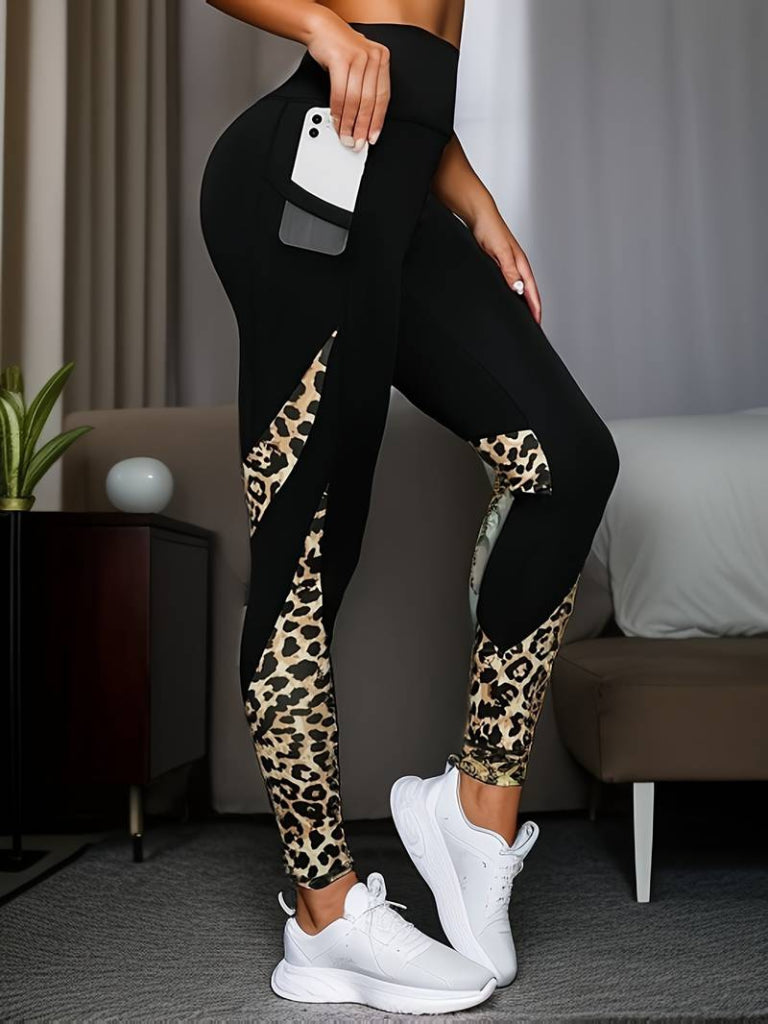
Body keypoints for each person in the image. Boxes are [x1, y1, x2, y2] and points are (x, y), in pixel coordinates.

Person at [200, 0, 620, 1013]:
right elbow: (367, 46)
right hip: (302, 174)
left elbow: (419, 71)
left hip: (399, 187)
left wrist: (477, 204)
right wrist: (320, 25)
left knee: (568, 460)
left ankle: (474, 812)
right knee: (307, 545)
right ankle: (323, 913)